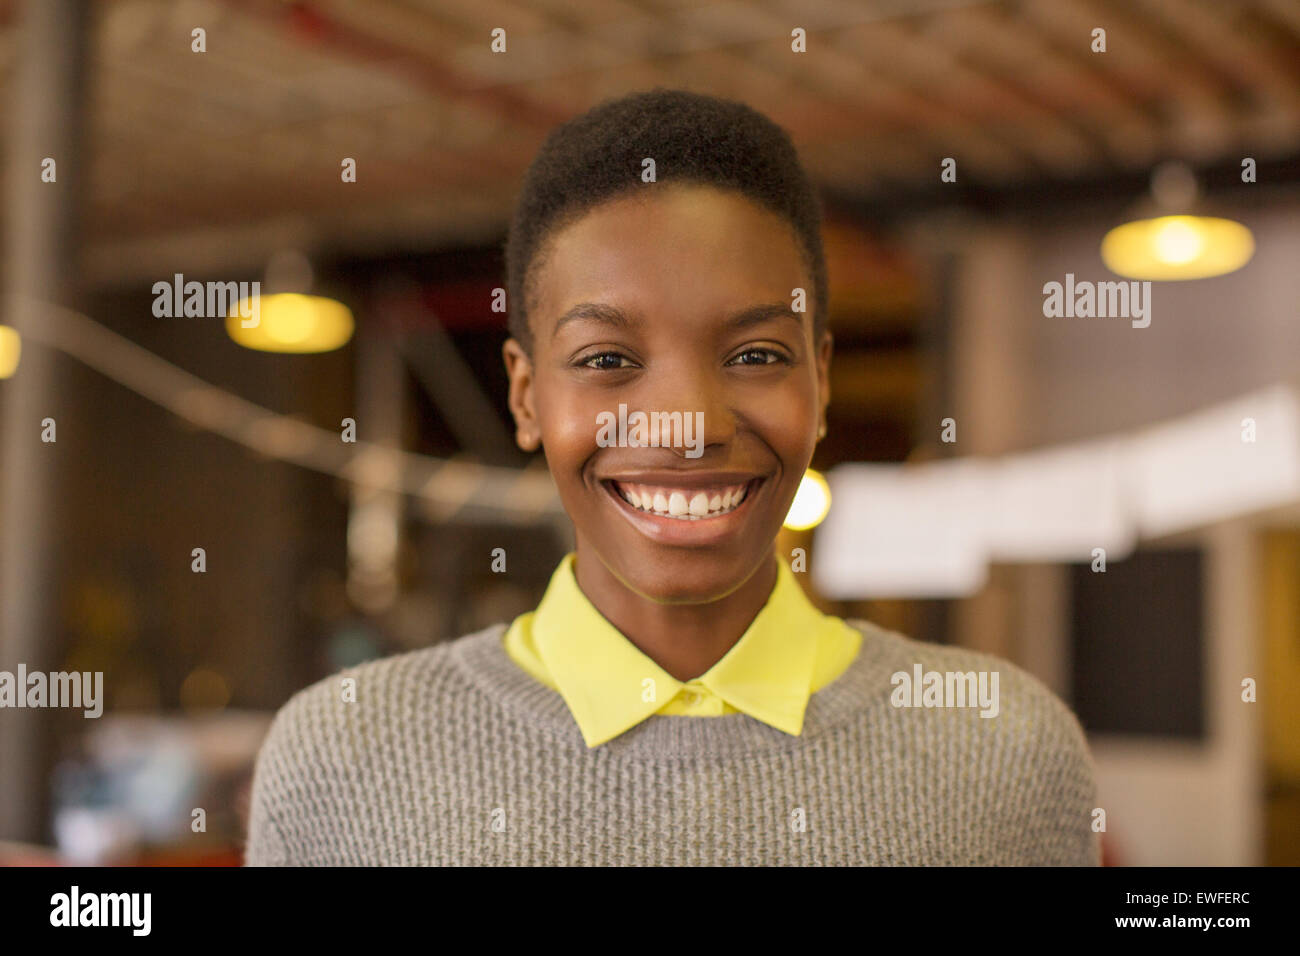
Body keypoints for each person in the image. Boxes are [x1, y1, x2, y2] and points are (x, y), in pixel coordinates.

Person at [245, 88, 1100, 866]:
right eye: (608, 357)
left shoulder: (1004, 752)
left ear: (821, 381)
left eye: (757, 353)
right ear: (526, 394)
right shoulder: (341, 762)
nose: (687, 422)